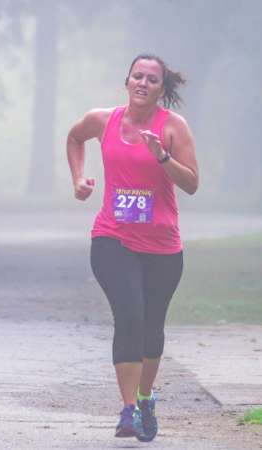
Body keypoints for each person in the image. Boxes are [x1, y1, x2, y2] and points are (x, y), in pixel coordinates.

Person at [66, 54, 199, 442]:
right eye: (137, 76)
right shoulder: (102, 120)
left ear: (161, 89)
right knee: (129, 316)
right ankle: (128, 410)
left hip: (162, 245)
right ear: (126, 81)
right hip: (113, 237)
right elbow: (74, 138)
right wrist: (78, 180)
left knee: (151, 328)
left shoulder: (173, 128)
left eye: (151, 79)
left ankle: (145, 397)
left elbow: (191, 183)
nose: (143, 83)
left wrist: (162, 156)